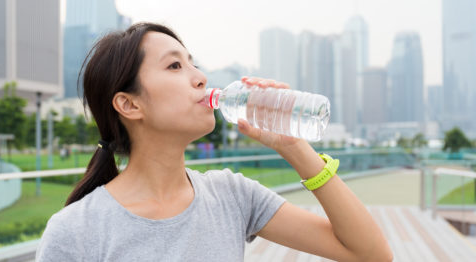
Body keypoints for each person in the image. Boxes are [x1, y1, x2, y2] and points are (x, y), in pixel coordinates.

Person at [36, 22, 392, 261]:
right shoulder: (76, 230)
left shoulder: (232, 195)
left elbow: (369, 254)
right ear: (129, 104)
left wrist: (294, 147)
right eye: (174, 66)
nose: (200, 78)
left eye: (193, 64)